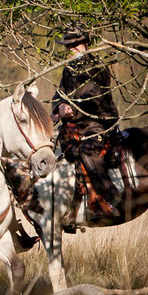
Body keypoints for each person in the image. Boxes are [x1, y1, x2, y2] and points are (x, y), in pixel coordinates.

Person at [51, 27, 121, 219]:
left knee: (86, 152)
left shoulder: (97, 67)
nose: (71, 49)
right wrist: (59, 108)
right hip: (75, 125)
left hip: (98, 124)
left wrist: (70, 110)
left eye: (74, 45)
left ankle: (112, 198)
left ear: (84, 44)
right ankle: (69, 210)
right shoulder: (69, 69)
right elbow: (59, 94)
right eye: (69, 45)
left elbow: (93, 99)